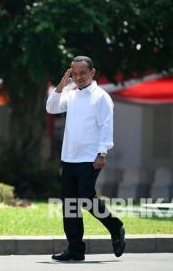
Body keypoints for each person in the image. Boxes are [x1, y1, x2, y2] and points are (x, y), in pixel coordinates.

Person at [46, 56, 125, 261]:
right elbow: (51, 108)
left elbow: (106, 126)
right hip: (69, 157)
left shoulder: (101, 97)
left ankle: (115, 227)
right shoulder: (70, 95)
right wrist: (62, 84)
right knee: (69, 203)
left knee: (85, 198)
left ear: (92, 72)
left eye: (83, 73)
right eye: (75, 73)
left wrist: (102, 153)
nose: (78, 77)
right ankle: (75, 249)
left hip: (91, 158)